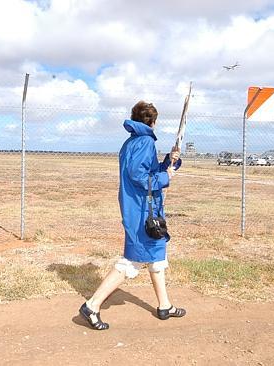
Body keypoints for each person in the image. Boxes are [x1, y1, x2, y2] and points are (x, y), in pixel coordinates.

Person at [78, 101, 185, 330]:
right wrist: (166, 177)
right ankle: (92, 305)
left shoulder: (131, 142)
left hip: (138, 206)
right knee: (133, 259)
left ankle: (164, 305)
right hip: (141, 209)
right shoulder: (146, 142)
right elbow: (139, 176)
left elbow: (147, 171)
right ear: (153, 122)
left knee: (156, 254)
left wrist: (169, 162)